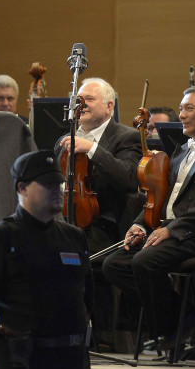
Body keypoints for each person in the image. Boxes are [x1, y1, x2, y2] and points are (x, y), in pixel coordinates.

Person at [102, 85, 195, 357]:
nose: (181, 115)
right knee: (114, 264)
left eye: (189, 108)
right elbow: (159, 198)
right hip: (177, 234)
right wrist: (140, 225)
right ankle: (185, 319)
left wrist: (172, 230)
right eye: (181, 108)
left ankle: (172, 325)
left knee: (145, 261)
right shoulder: (182, 150)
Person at [0, 149, 92, 369]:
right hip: (21, 364)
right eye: (47, 184)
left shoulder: (74, 237)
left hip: (72, 363)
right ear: (22, 188)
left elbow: (87, 298)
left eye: (59, 183)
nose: (57, 190)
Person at [55, 78, 141, 253]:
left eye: (90, 99)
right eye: (79, 99)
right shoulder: (65, 140)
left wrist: (93, 149)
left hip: (105, 224)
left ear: (109, 106)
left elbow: (129, 180)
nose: (82, 104)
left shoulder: (127, 137)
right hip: (64, 219)